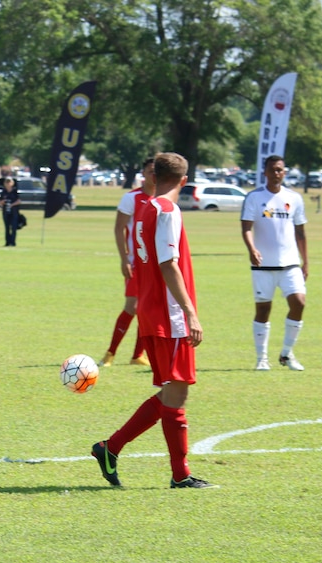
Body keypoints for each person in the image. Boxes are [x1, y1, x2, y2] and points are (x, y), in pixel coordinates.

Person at [90, 152, 212, 490]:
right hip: (170, 314)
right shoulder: (168, 210)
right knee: (178, 392)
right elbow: (168, 263)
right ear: (185, 182)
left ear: (154, 176)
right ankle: (180, 475)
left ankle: (110, 449)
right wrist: (190, 312)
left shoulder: (144, 207)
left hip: (150, 309)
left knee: (171, 392)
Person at [241, 155, 308, 372]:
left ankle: (287, 353)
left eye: (279, 170)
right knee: (263, 310)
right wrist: (252, 249)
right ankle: (262, 358)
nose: (276, 173)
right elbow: (246, 228)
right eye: (272, 170)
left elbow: (300, 232)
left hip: (290, 264)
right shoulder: (254, 197)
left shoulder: (294, 198)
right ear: (265, 172)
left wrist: (305, 261)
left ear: (284, 172)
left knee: (299, 302)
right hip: (263, 266)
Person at [100, 157, 153, 368]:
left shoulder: (163, 199)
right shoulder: (132, 198)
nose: (154, 175)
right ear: (143, 174)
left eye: (157, 171)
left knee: (148, 310)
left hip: (156, 265)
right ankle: (110, 353)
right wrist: (124, 259)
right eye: (150, 171)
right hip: (136, 263)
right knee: (132, 306)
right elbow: (119, 227)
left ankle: (137, 356)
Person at [0, 177, 21, 246]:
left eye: (9, 182)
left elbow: (19, 201)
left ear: (12, 183)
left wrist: (12, 204)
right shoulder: (3, 192)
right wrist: (2, 202)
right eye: (6, 182)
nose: (8, 184)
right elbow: (0, 202)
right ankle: (7, 242)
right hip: (6, 212)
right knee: (7, 228)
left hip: (14, 212)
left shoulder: (15, 191)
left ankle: (13, 242)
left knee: (13, 227)